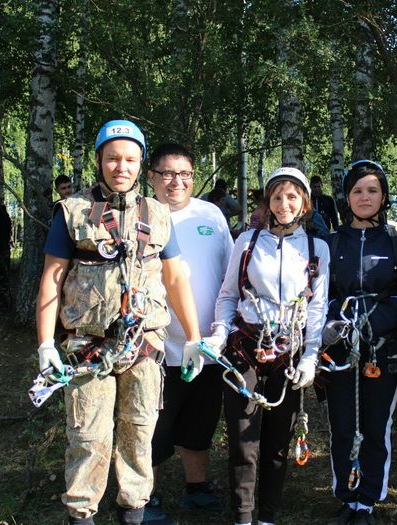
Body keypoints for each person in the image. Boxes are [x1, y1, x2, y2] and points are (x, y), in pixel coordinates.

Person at [35, 119, 202, 525]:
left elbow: (176, 277)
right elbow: (53, 277)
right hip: (87, 347)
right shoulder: (73, 212)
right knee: (88, 437)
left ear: (141, 164)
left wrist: (194, 337)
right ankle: (81, 515)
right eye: (112, 158)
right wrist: (44, 344)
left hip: (143, 346)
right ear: (99, 161)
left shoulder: (158, 214)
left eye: (129, 159)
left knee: (139, 433)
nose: (120, 167)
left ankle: (133, 512)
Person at [203, 167, 329, 525]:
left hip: (289, 352)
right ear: (267, 202)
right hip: (245, 346)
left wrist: (310, 356)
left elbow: (317, 307)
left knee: (276, 443)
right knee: (244, 442)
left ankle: (268, 516)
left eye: (292, 197)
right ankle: (243, 514)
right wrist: (219, 332)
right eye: (277, 197)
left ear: (304, 203)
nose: (284, 204)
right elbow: (229, 294)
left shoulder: (316, 248)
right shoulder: (248, 241)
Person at [322, 160, 397, 525]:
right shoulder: (330, 243)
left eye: (372, 191)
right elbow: (320, 293)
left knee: (376, 426)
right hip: (341, 349)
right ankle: (346, 497)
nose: (365, 197)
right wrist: (335, 321)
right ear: (347, 197)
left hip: (385, 349)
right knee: (344, 425)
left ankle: (368, 501)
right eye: (357, 191)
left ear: (384, 197)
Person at [144, 143, 234, 524]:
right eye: (166, 173)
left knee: (201, 422)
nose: (176, 182)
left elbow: (232, 273)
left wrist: (223, 331)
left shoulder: (211, 215)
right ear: (151, 178)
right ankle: (144, 496)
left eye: (184, 174)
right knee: (153, 425)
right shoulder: (140, 217)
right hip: (156, 346)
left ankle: (197, 489)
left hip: (208, 346)